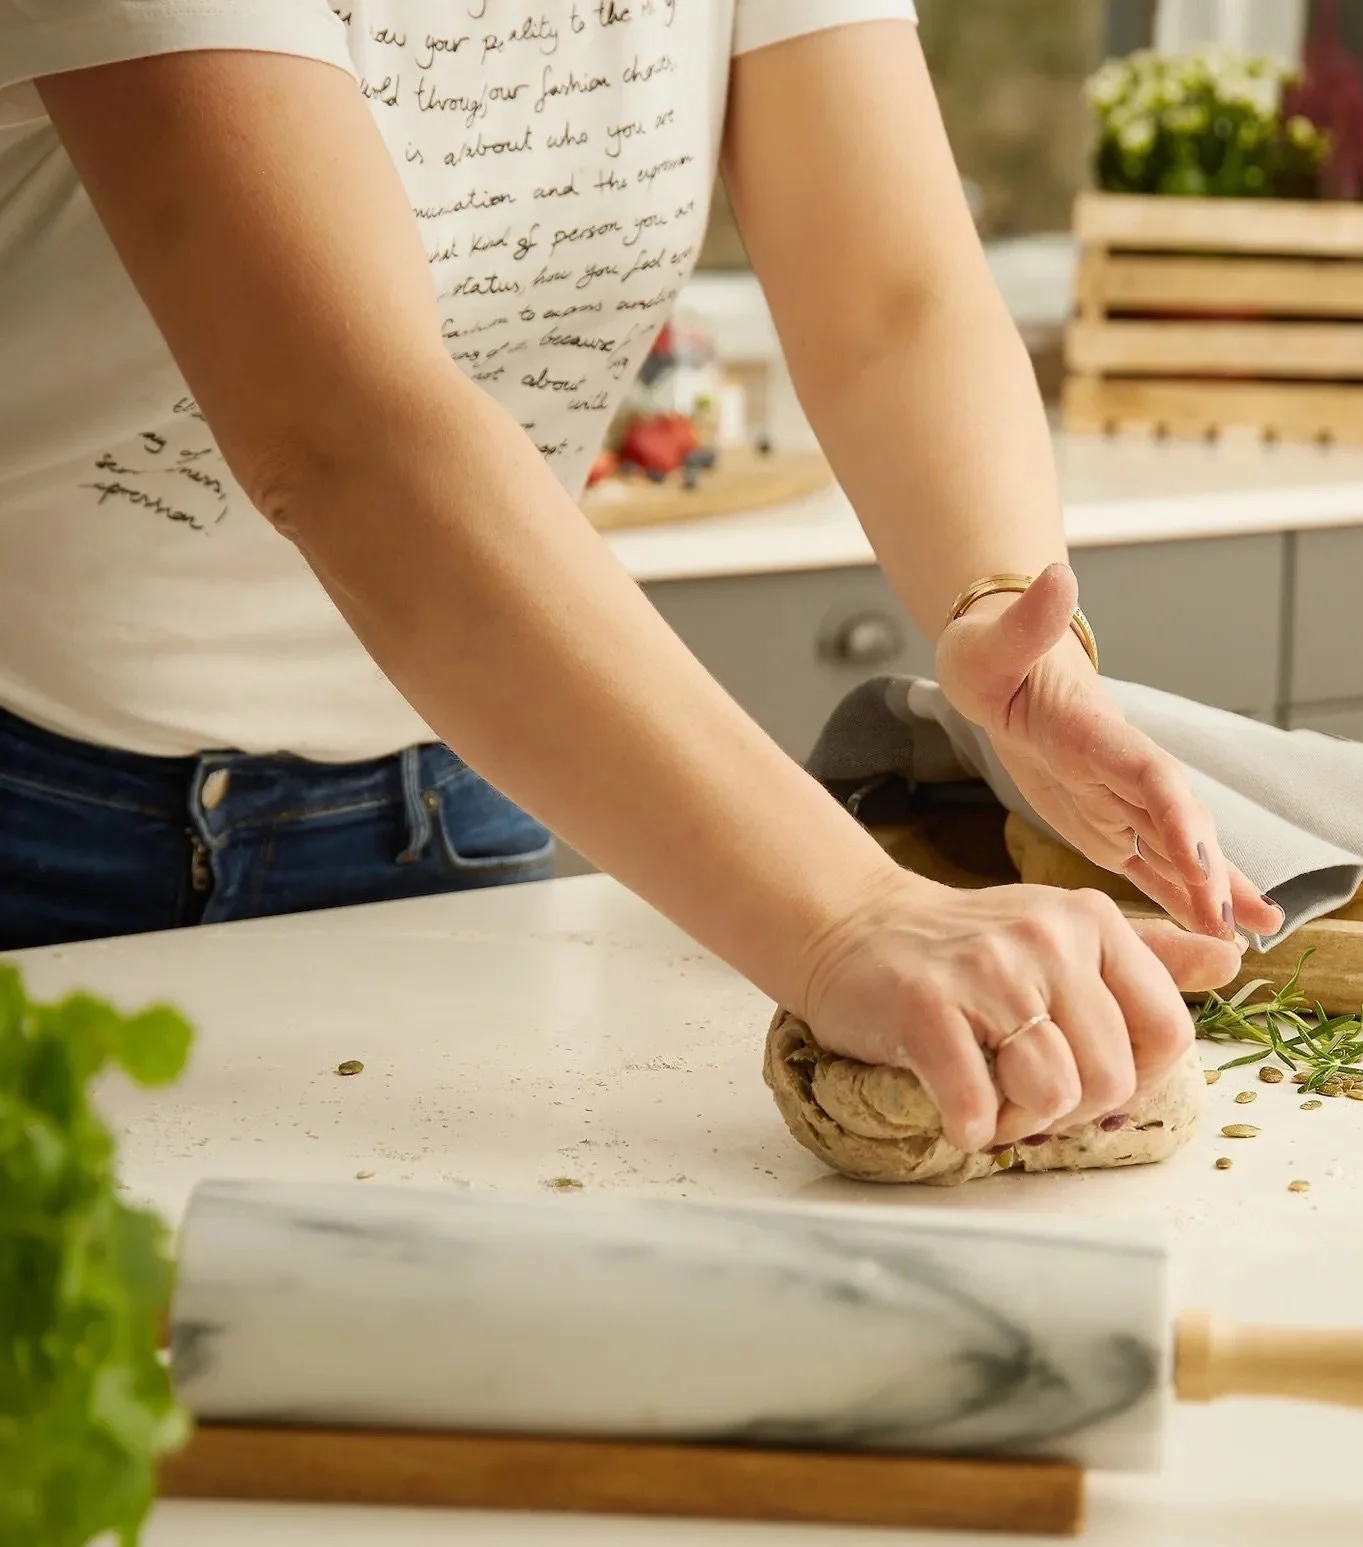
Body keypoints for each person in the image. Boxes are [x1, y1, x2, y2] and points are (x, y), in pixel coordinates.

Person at [0, 2, 1284, 1156]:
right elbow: (342, 431)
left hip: (457, 784)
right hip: (38, 817)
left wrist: (1002, 610)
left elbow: (891, 300)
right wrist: (846, 916)